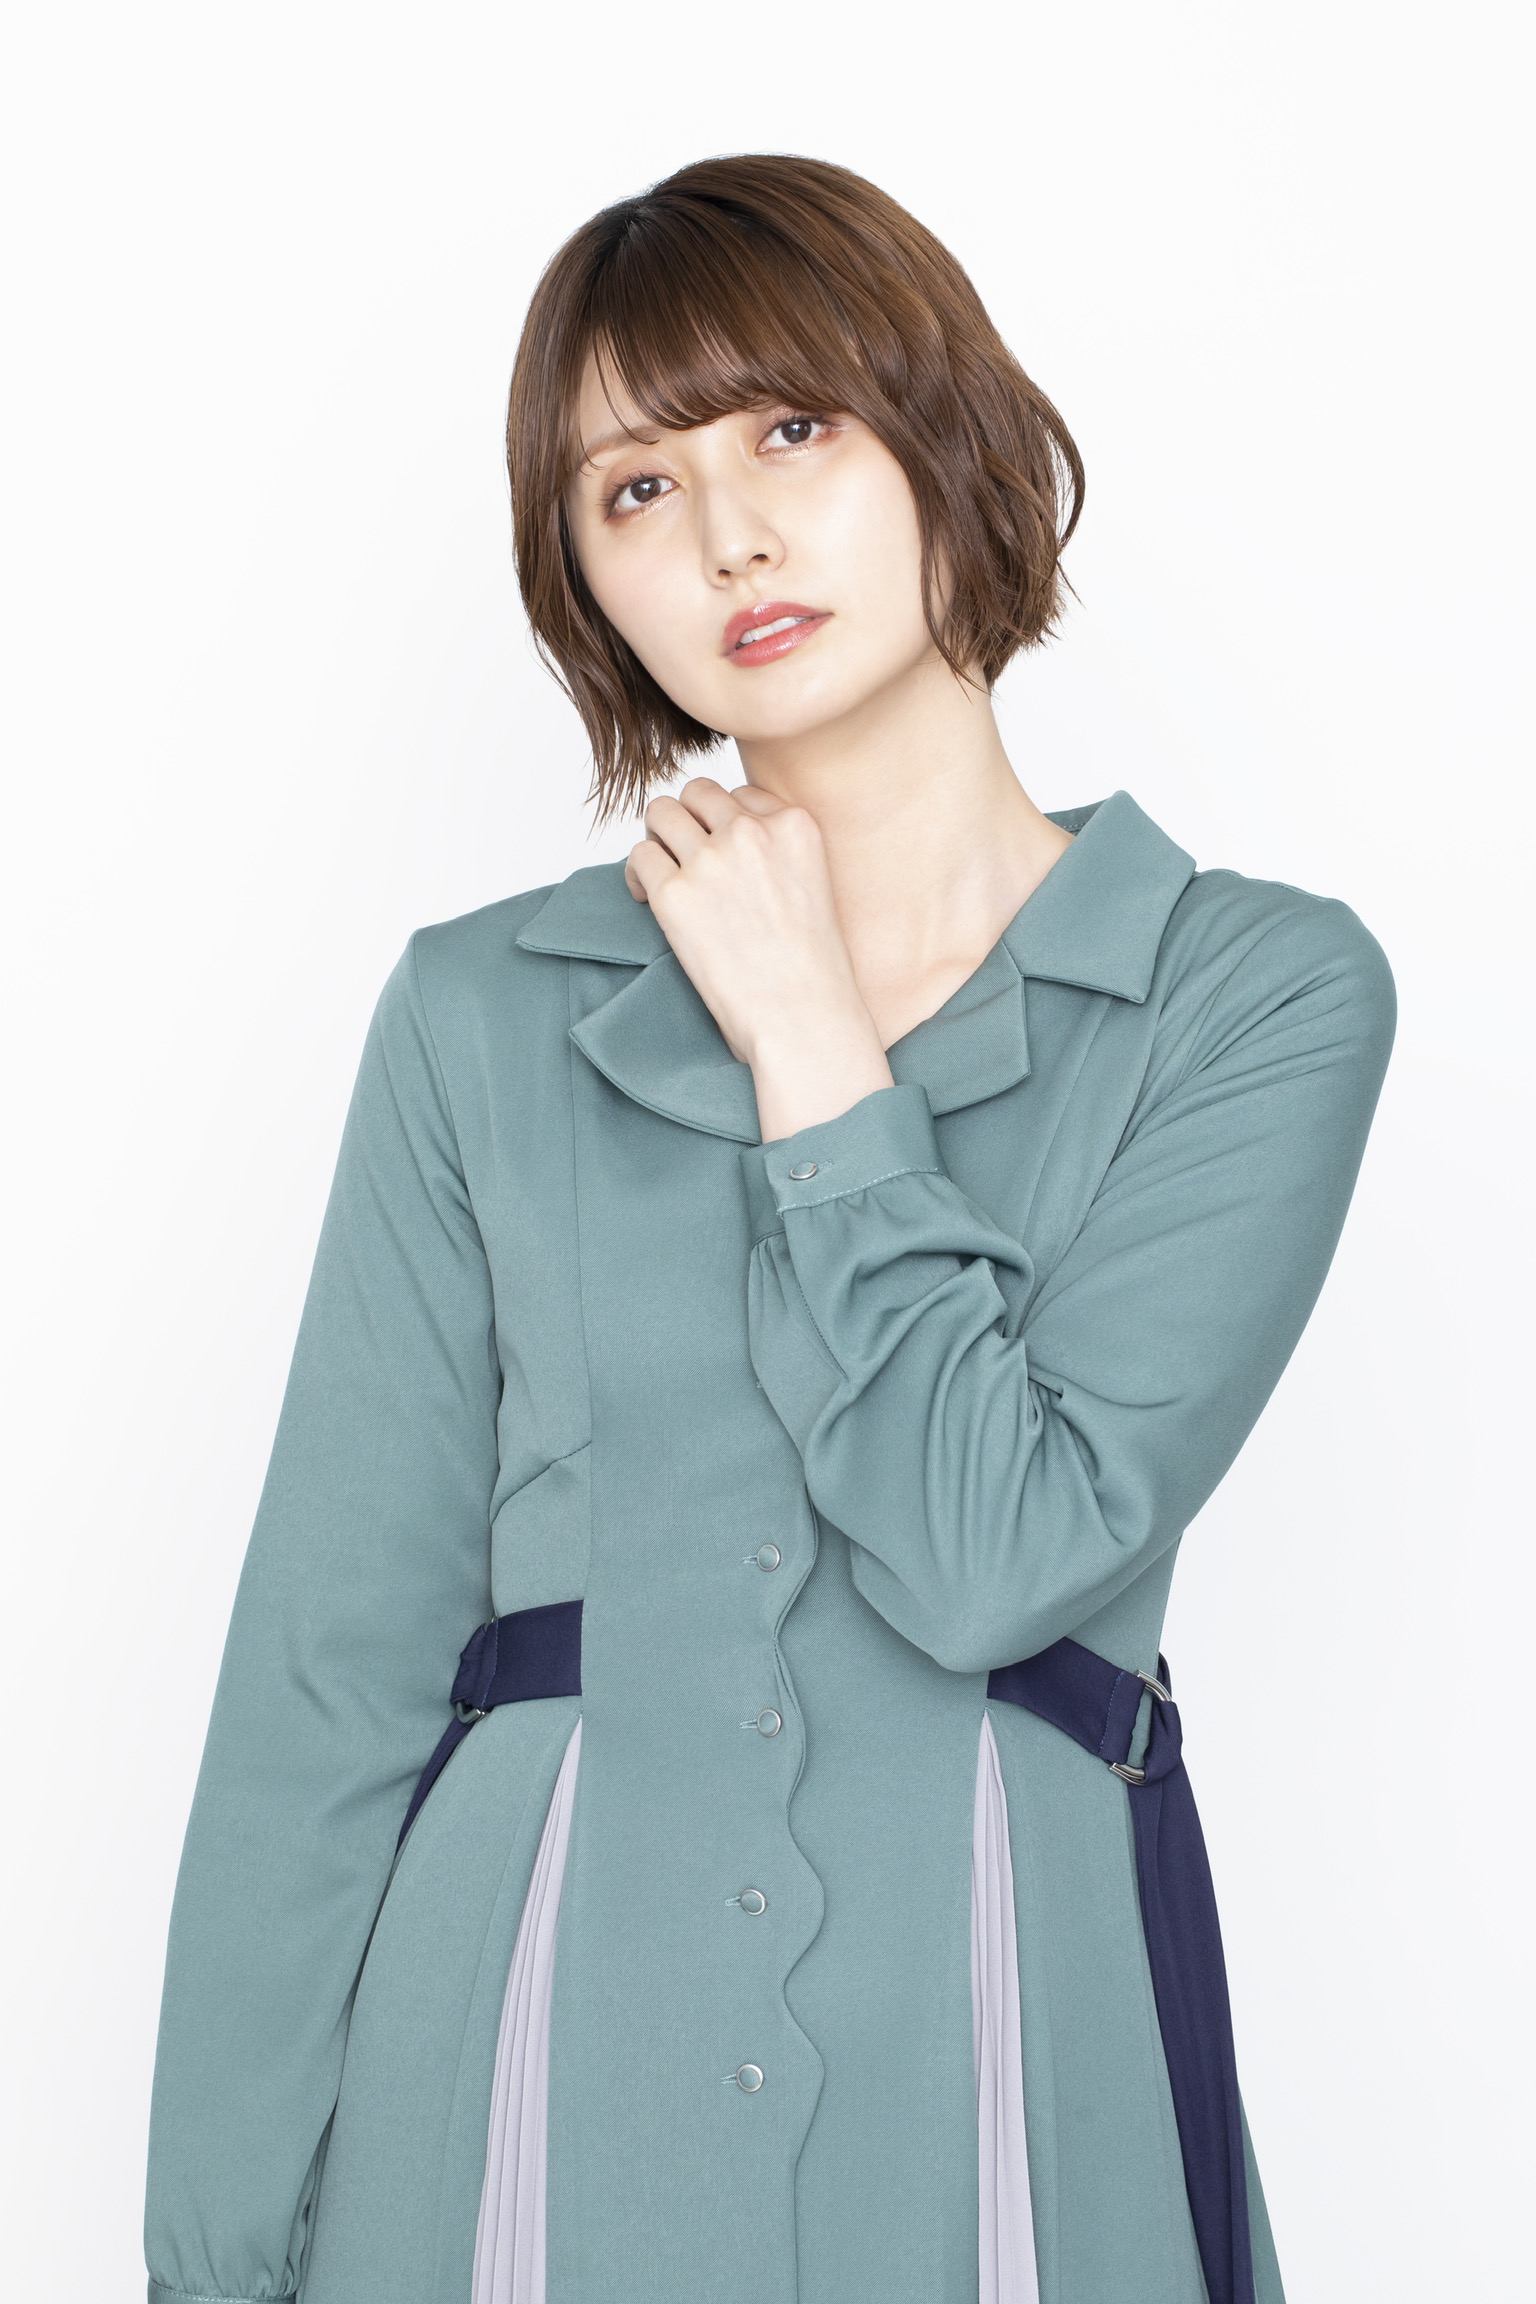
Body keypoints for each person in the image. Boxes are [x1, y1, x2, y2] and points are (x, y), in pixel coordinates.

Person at [143, 155, 1395, 2304]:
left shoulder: (1253, 993)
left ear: (942, 431)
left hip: (1004, 2028)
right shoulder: (481, 1011)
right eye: (634, 488)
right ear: (584, 579)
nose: (727, 534)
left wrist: (818, 1056)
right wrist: (217, 2255)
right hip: (521, 2046)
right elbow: (327, 1674)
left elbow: (1000, 1556)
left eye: (789, 429)